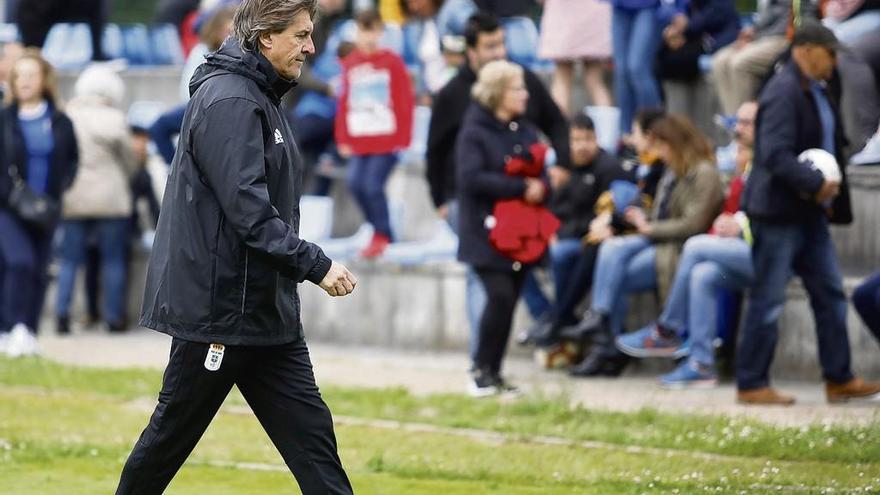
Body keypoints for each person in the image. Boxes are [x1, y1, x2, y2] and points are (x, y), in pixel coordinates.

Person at [115, 1, 358, 492]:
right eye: (301, 35)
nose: (311, 47)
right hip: (220, 313)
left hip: (267, 316)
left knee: (315, 445)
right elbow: (249, 214)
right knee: (165, 445)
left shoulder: (261, 95)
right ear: (266, 37)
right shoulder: (231, 100)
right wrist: (316, 264)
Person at [736, 21, 880, 406]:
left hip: (809, 213)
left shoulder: (816, 87)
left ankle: (839, 378)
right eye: (828, 53)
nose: (833, 61)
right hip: (779, 214)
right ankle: (751, 383)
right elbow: (773, 154)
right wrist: (816, 182)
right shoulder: (783, 91)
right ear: (806, 49)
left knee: (831, 294)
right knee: (768, 300)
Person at [426, 11, 568, 364]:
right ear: (471, 52)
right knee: (486, 276)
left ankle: (541, 326)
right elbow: (435, 150)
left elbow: (557, 123)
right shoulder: (453, 95)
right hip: (464, 200)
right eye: (490, 46)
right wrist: (439, 200)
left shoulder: (523, 81)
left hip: (516, 199)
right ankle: (483, 361)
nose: (498, 52)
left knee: (513, 269)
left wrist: (561, 165)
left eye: (502, 43)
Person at [563, 114, 724, 377]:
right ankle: (600, 320)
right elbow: (661, 213)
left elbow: (694, 224)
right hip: (658, 238)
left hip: (677, 247)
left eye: (661, 145)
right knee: (611, 248)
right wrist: (639, 219)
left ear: (676, 143)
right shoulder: (673, 170)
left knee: (615, 273)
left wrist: (649, 228)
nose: (657, 152)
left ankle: (606, 344)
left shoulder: (704, 173)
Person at [615, 101, 759, 388]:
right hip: (742, 251)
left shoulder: (769, 162)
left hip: (770, 254)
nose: (738, 129)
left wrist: (740, 224)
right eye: (738, 121)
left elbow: (774, 213)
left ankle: (667, 329)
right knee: (702, 274)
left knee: (695, 246)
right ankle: (702, 364)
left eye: (746, 123)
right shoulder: (746, 163)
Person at [456, 59, 552, 396]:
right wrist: (520, 187)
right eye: (517, 89)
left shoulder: (524, 128)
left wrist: (541, 185)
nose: (525, 95)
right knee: (499, 296)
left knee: (509, 301)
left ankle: (494, 374)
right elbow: (470, 179)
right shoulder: (474, 130)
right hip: (485, 232)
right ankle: (479, 371)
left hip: (519, 234)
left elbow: (539, 167)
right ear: (498, 93)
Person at [525, 115, 632, 350]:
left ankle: (559, 320)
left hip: (591, 239)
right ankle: (546, 315)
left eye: (588, 139)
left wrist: (560, 234)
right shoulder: (563, 167)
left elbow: (607, 216)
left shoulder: (609, 168)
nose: (582, 145)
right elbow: (554, 209)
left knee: (562, 254)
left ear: (596, 138)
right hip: (562, 236)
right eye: (576, 139)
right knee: (515, 253)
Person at [0, 50, 77, 356]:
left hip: (46, 208)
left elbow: (72, 160)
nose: (26, 81)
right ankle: (11, 327)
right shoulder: (4, 120)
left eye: (32, 75)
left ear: (45, 79)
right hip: (8, 206)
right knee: (19, 262)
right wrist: (10, 196)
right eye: (20, 75)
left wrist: (59, 191)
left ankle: (28, 331)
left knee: (40, 271)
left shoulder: (59, 120)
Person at [54, 66, 138, 335]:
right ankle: (113, 319)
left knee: (69, 260)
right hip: (111, 197)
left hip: (74, 196)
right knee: (113, 260)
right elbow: (130, 161)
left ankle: (62, 315)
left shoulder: (67, 115)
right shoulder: (114, 118)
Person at [335, 9, 415, 258]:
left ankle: (383, 234)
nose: (368, 37)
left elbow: (405, 100)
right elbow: (344, 103)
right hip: (360, 140)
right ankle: (378, 230)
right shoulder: (351, 64)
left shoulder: (392, 62)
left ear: (380, 32)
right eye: (363, 30)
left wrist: (403, 138)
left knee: (372, 186)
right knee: (355, 184)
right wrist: (343, 138)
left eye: (373, 30)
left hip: (386, 140)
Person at [712, 0, 790, 115]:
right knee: (719, 61)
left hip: (781, 38)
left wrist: (755, 36)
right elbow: (762, 19)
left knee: (739, 63)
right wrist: (751, 33)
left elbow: (787, 21)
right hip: (761, 37)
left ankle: (745, 121)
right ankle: (732, 119)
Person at [539, 0, 613, 114]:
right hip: (595, 16)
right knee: (595, 81)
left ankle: (561, 129)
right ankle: (607, 129)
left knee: (562, 80)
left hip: (562, 17)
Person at [610, 0, 662, 137]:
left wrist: (675, 7)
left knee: (637, 67)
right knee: (621, 71)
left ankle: (652, 131)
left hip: (650, 5)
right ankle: (627, 135)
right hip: (620, 6)